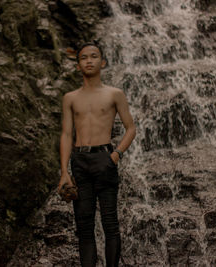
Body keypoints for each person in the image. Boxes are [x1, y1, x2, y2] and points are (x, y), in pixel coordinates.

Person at [58, 41, 136, 267]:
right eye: (83, 58)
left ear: (102, 62)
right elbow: (66, 134)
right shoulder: (70, 98)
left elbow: (131, 128)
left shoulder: (114, 94)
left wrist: (117, 154)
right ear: (77, 66)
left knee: (110, 222)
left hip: (105, 158)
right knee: (84, 226)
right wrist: (64, 172)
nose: (89, 60)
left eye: (93, 56)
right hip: (80, 161)